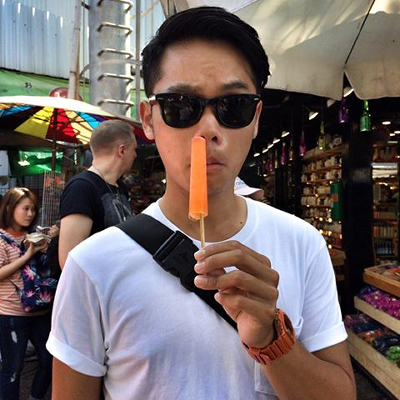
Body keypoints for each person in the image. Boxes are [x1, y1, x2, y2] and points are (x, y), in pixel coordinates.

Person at [47, 6, 356, 400]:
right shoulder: (92, 266)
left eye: (234, 106)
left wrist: (272, 340)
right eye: (180, 106)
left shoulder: (303, 243)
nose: (209, 129)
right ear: (149, 120)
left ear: (256, 118)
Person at [58, 119, 137, 268]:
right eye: (134, 149)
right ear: (121, 151)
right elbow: (69, 262)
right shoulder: (81, 188)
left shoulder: (120, 187)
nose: (135, 155)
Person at [0, 187, 52, 400]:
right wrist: (27, 254)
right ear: (9, 208)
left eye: (33, 209)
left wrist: (47, 246)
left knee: (49, 359)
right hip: (11, 314)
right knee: (12, 369)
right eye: (25, 208)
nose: (30, 214)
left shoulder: (34, 236)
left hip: (40, 310)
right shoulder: (1, 239)